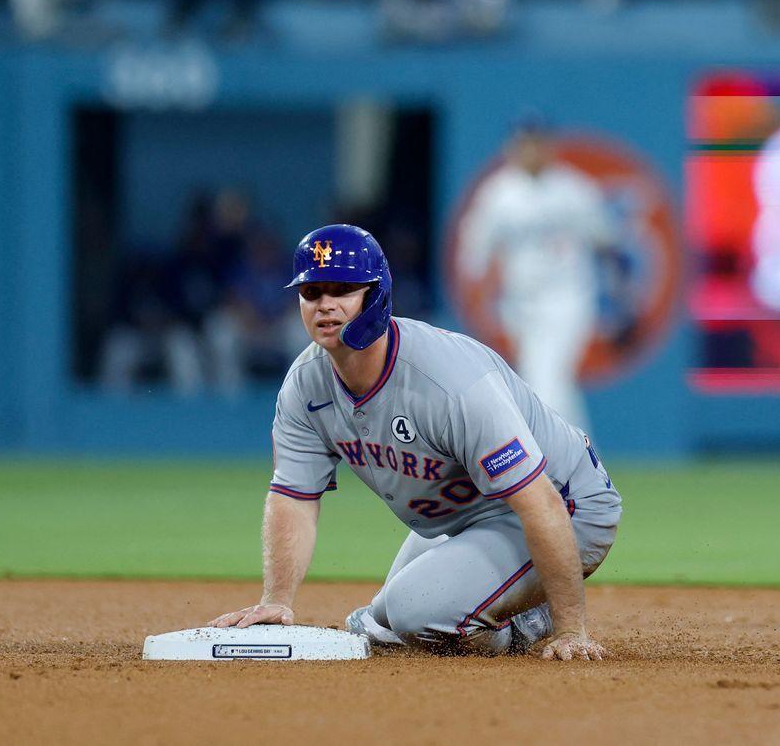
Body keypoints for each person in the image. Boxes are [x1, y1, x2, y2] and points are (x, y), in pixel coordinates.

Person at [209, 224, 620, 660]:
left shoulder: (449, 381)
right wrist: (276, 599)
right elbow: (293, 496)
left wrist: (571, 628)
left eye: (344, 289)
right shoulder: (305, 385)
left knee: (415, 614)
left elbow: (540, 501)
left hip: (567, 507)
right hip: (476, 513)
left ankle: (530, 622)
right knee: (381, 619)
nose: (325, 304)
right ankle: (480, 604)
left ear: (377, 295)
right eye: (312, 292)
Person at [458, 117, 615, 433]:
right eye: (524, 144)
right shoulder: (498, 193)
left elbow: (605, 239)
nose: (531, 150)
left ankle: (560, 453)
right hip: (520, 304)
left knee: (548, 378)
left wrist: (617, 295)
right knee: (540, 380)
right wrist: (479, 292)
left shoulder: (572, 189)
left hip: (567, 297)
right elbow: (474, 251)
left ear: (549, 146)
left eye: (537, 143)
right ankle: (581, 453)